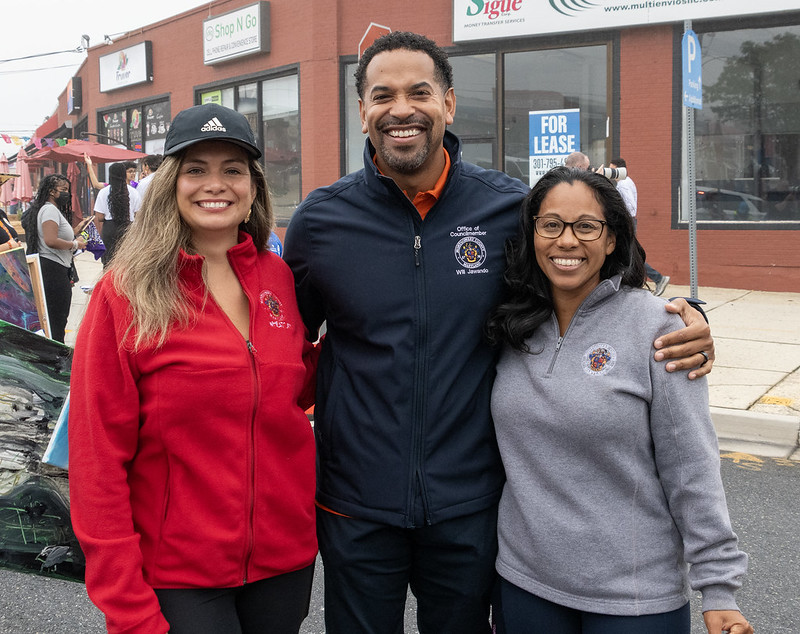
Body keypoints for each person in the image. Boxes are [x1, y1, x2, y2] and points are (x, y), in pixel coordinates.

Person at [284, 31, 716, 634]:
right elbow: (279, 340)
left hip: (473, 504)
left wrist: (687, 317)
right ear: (363, 111)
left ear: (450, 105)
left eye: (420, 92)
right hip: (355, 504)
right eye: (382, 95)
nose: (401, 109)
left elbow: (595, 282)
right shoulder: (319, 221)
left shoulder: (509, 208)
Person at [69, 103, 319, 634]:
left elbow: (288, 391)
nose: (216, 184)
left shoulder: (278, 277)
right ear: (169, 184)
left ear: (253, 185)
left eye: (233, 169)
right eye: (196, 169)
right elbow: (95, 460)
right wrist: (126, 604)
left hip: (284, 563)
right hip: (178, 576)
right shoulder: (127, 293)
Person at [486, 166, 752, 634]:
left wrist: (719, 588)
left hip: (634, 600)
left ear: (612, 239)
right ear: (532, 235)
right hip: (524, 585)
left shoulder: (659, 328)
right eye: (551, 225)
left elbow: (691, 466)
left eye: (586, 226)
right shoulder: (510, 325)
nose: (566, 241)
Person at [21, 174, 87, 343]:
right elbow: (50, 240)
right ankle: (56, 357)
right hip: (52, 270)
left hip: (55, 268)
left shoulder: (50, 209)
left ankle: (55, 354)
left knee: (56, 318)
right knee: (57, 318)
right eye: (63, 190)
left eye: (67, 190)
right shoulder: (49, 209)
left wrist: (76, 230)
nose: (67, 193)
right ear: (51, 191)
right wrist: (74, 245)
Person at [610, 157, 670, 296]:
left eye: (612, 169)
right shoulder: (627, 182)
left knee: (630, 254)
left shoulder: (623, 184)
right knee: (628, 253)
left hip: (627, 221)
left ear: (619, 169)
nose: (611, 172)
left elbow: (630, 206)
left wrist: (622, 217)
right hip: (629, 221)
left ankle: (658, 278)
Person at [93, 162, 142, 266]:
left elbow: (100, 217)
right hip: (128, 229)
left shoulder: (103, 192)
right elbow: (138, 214)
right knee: (126, 264)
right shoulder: (133, 192)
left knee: (109, 264)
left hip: (109, 230)